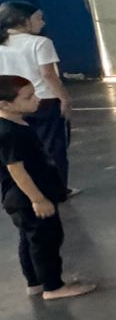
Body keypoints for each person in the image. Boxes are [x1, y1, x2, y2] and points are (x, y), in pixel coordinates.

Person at [0, 75, 93, 299]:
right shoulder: (9, 133)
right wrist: (38, 199)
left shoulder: (17, 123)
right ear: (5, 105)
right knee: (46, 240)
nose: (37, 99)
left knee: (29, 239)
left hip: (23, 197)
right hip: (27, 196)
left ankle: (36, 283)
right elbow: (16, 170)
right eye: (28, 97)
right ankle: (53, 286)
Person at [0, 2, 73, 195]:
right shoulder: (40, 43)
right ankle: (58, 188)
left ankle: (29, 189)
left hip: (11, 104)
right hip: (43, 100)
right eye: (38, 18)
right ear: (22, 20)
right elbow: (48, 75)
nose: (42, 22)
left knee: (22, 149)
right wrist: (64, 98)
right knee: (53, 147)